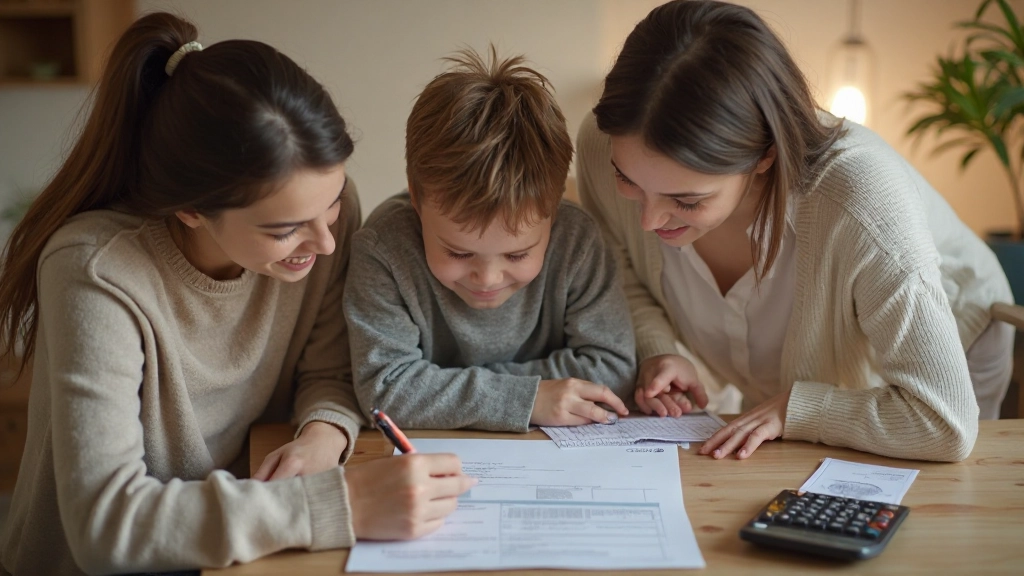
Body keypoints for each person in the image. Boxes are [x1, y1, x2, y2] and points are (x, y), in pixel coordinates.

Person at [0, 13, 473, 576]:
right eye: (284, 230)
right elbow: (106, 523)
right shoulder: (96, 269)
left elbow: (328, 370)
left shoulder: (326, 231)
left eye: (334, 202)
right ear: (192, 209)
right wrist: (341, 503)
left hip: (244, 547)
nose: (323, 242)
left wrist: (324, 431)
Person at [577, 0, 1013, 462]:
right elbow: (620, 268)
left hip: (946, 353)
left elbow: (943, 421)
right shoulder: (601, 143)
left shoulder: (861, 201)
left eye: (687, 200)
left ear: (765, 155)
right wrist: (659, 352)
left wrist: (800, 409)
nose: (648, 221)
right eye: (628, 180)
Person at [344, 48, 636, 431]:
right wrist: (530, 398)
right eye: (459, 251)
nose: (488, 278)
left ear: (554, 209)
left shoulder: (577, 241)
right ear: (418, 200)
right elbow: (384, 391)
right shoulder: (384, 248)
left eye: (517, 255)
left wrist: (437, 383)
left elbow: (614, 369)